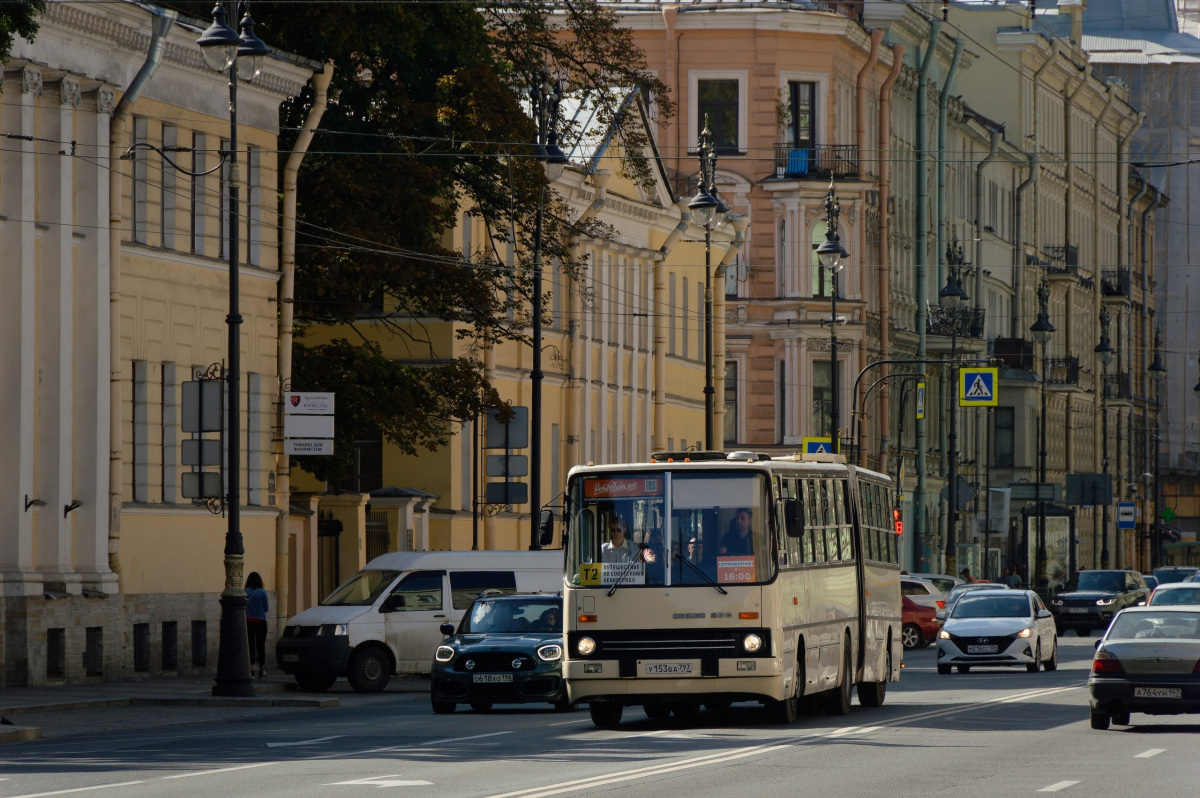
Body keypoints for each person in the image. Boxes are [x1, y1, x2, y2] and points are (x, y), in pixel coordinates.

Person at [245, 571, 269, 678]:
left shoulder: (245, 592)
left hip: (248, 621)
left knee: (250, 645)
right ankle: (262, 669)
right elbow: (266, 608)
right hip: (260, 621)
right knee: (260, 646)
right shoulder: (262, 592)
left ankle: (251, 669)